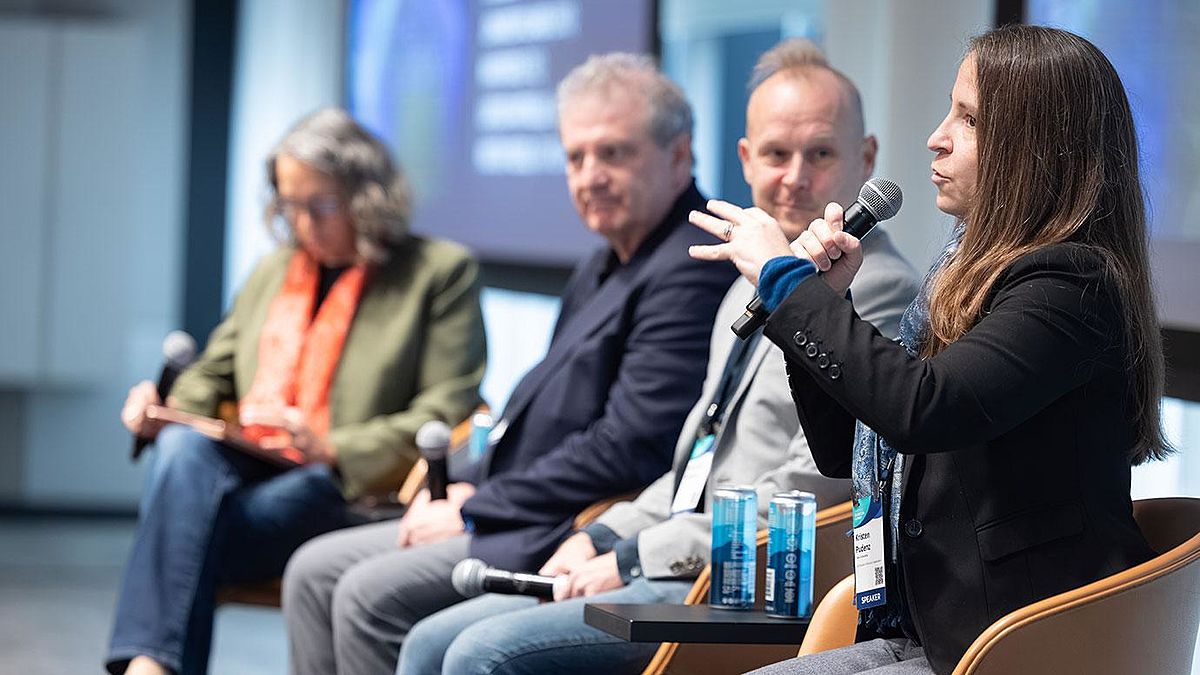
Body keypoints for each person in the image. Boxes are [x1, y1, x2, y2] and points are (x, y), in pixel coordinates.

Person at [395, 39, 920, 675]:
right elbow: (694, 464)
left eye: (821, 153)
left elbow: (812, 490)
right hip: (681, 556)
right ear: (747, 161)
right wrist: (603, 533)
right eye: (777, 155)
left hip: (752, 582)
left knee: (482, 653)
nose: (795, 177)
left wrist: (635, 552)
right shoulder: (742, 280)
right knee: (428, 642)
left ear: (865, 159)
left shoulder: (881, 287)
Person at [689, 25, 1168, 675]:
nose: (936, 137)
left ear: (1035, 148)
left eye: (966, 119)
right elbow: (845, 447)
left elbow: (923, 408)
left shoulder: (1070, 283)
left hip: (1016, 641)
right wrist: (830, 302)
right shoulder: (964, 275)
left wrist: (786, 280)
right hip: (930, 626)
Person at [281, 53, 739, 675]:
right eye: (575, 158)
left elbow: (628, 444)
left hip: (560, 524)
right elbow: (536, 412)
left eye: (613, 153)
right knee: (310, 572)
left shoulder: (689, 267)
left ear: (680, 155)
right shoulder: (606, 260)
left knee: (365, 595)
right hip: (511, 505)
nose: (589, 175)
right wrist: (460, 484)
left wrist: (476, 506)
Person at [106, 108, 487, 675]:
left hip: (344, 489)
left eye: (320, 205)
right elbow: (213, 374)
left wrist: (331, 445)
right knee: (181, 450)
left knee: (183, 525)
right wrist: (166, 412)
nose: (302, 222)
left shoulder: (438, 272)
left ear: (367, 198)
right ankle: (150, 669)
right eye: (289, 205)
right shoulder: (274, 271)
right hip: (253, 472)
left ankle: (148, 665)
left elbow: (447, 408)